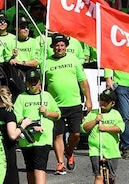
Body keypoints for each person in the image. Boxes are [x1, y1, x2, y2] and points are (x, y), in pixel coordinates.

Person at [44, 33, 92, 175]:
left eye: (62, 45)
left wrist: (88, 99)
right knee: (58, 135)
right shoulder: (46, 63)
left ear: (66, 47)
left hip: (74, 103)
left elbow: (83, 82)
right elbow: (42, 85)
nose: (59, 48)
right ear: (52, 47)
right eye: (57, 45)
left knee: (76, 134)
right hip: (55, 106)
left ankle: (69, 152)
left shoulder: (74, 60)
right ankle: (60, 163)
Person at [14, 68, 61, 184]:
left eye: (35, 80)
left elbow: (57, 115)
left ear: (40, 82)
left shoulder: (47, 96)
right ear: (26, 83)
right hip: (27, 139)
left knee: (39, 169)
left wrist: (46, 113)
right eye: (30, 81)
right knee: (30, 170)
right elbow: (17, 117)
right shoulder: (21, 98)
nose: (33, 83)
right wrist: (31, 125)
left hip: (42, 140)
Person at [0, 86, 30, 184]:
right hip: (6, 150)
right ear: (10, 96)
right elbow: (12, 135)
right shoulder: (9, 113)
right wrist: (23, 125)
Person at [82, 89, 124, 184]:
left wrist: (105, 128)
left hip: (111, 150)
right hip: (96, 149)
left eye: (106, 101)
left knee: (111, 178)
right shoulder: (93, 113)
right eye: (102, 99)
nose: (103, 102)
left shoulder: (116, 114)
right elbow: (84, 128)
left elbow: (120, 128)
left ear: (112, 103)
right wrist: (95, 121)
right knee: (98, 176)